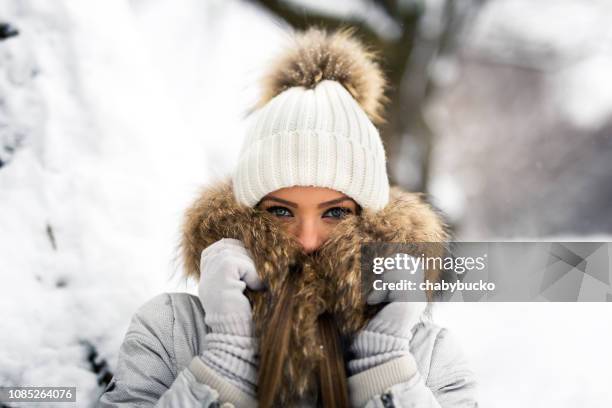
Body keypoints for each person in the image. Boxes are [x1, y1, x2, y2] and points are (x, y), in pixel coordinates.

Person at [98, 27, 477, 407]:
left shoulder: (429, 358)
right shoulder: (171, 331)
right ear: (245, 216)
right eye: (280, 211)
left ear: (369, 219)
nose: (308, 239)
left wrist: (387, 370)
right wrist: (224, 362)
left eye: (336, 213)